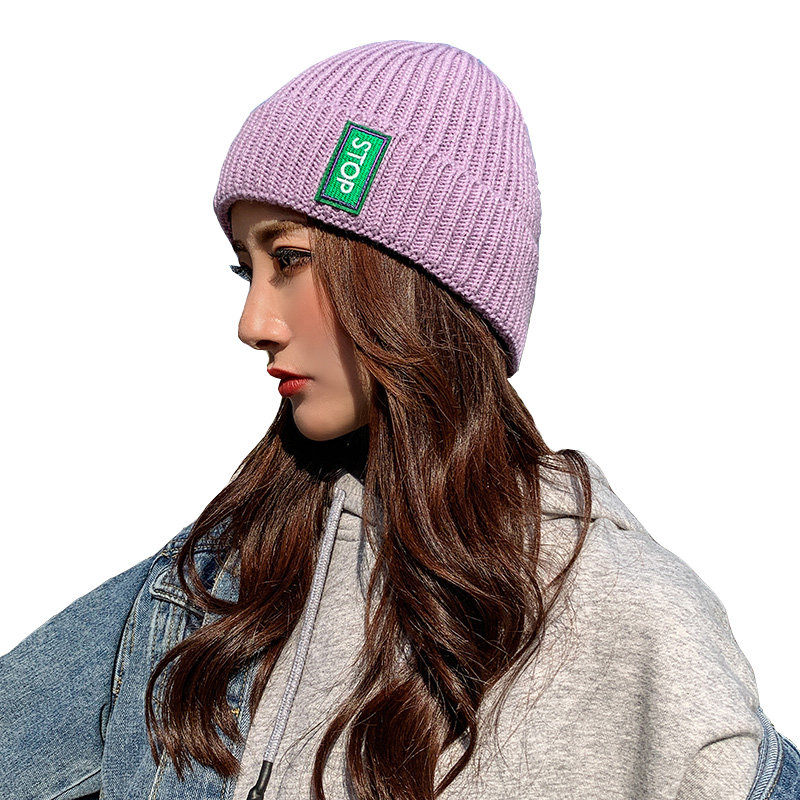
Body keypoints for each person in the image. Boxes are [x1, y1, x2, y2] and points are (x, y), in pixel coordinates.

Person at [0, 39, 797, 800]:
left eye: (291, 259)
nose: (252, 323)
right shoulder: (211, 584)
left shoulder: (637, 621)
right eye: (248, 270)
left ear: (413, 281)